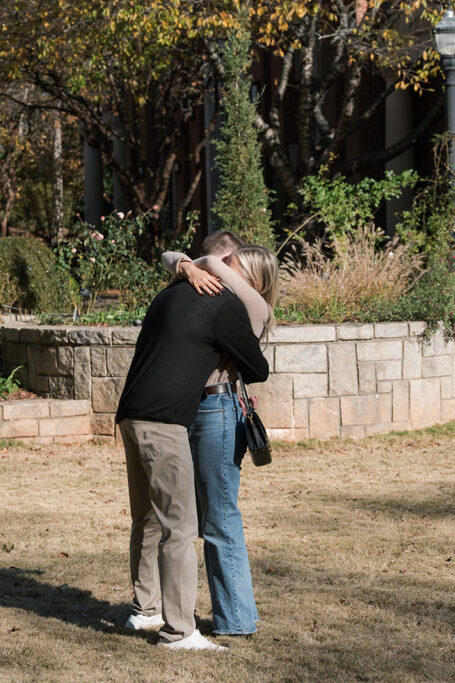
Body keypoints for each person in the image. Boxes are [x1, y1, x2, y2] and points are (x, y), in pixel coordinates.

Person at [115, 250, 274, 651]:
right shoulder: (223, 305)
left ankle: (145, 609)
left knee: (147, 518)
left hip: (131, 413)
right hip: (165, 421)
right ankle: (179, 631)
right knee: (181, 527)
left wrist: (186, 265)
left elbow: (176, 259)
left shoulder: (170, 293)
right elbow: (258, 370)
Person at [161, 236, 278, 637]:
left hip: (217, 412)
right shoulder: (222, 296)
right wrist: (187, 267)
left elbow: (210, 259)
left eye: (235, 264)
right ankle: (225, 615)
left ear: (254, 278)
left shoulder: (253, 305)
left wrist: (202, 262)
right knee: (196, 517)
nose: (224, 266)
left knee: (220, 518)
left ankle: (237, 621)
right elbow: (167, 257)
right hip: (193, 409)